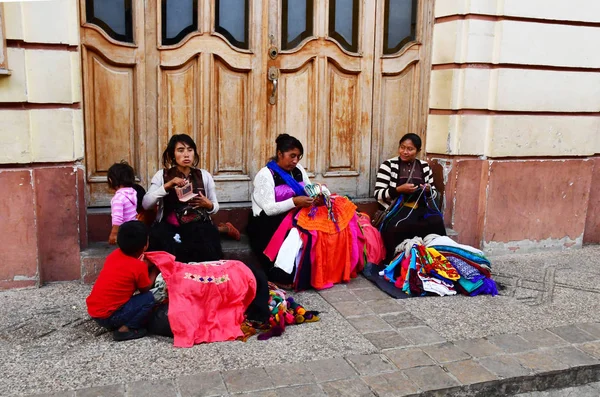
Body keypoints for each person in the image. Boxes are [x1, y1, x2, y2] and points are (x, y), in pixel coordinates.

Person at [142, 134, 223, 263]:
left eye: (190, 150)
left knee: (205, 240)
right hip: (169, 227)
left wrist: (209, 205)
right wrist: (167, 186)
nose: (186, 155)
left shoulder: (204, 176)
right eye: (181, 150)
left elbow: (215, 207)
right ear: (173, 154)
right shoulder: (162, 175)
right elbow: (146, 204)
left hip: (198, 225)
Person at [247, 134, 313, 287]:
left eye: (298, 157)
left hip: (293, 214)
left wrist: (316, 194)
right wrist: (294, 201)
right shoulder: (266, 175)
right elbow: (269, 209)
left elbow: (308, 189)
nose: (295, 161)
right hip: (267, 222)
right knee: (296, 234)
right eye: (292, 156)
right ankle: (282, 275)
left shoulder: (298, 170)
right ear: (279, 154)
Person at [374, 133, 446, 263]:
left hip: (419, 210)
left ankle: (436, 259)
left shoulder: (424, 167)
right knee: (399, 225)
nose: (405, 152)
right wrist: (398, 190)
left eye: (410, 149)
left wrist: (428, 190)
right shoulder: (388, 166)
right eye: (402, 147)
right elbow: (378, 194)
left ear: (418, 151)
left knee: (437, 221)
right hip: (396, 211)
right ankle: (396, 261)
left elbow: (434, 193)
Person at [86, 220, 159, 341]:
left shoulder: (114, 255)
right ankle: (126, 329)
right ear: (145, 245)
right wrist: (155, 271)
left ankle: (117, 322)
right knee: (149, 299)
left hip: (95, 313)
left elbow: (127, 270)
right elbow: (145, 289)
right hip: (110, 316)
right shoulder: (138, 267)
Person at [107, 161, 139, 244]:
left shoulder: (118, 198)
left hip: (125, 232)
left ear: (111, 180)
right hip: (135, 228)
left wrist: (113, 234)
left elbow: (117, 219)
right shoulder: (132, 192)